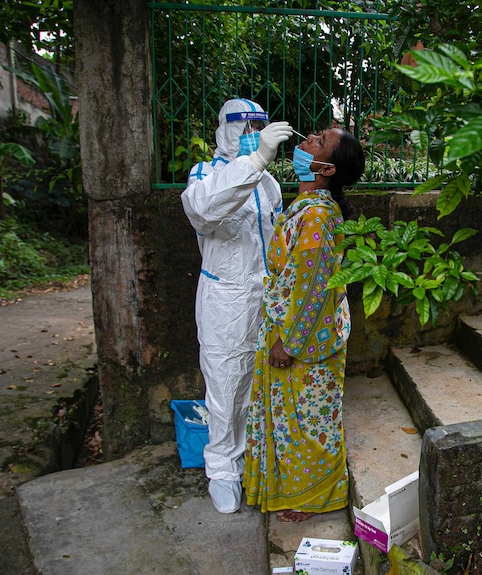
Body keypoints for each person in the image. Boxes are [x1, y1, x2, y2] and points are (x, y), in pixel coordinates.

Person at [243, 127, 365, 523]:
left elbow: (312, 289)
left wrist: (289, 343)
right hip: (294, 327)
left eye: (319, 141)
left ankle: (316, 496)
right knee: (294, 417)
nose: (309, 137)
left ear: (325, 167)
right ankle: (299, 488)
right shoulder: (308, 206)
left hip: (305, 336)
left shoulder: (315, 215)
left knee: (308, 421)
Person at [181, 98, 293, 514]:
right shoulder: (205, 175)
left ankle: (251, 458)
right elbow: (204, 211)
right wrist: (257, 158)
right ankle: (222, 468)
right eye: (243, 128)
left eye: (258, 128)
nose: (251, 135)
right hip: (226, 301)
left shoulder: (269, 185)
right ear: (224, 130)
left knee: (258, 386)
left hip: (264, 297)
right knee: (225, 388)